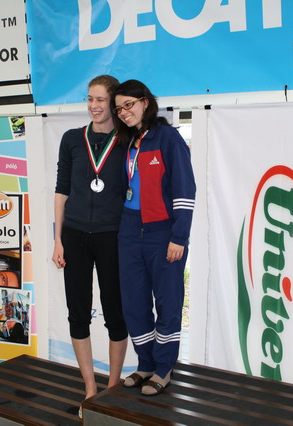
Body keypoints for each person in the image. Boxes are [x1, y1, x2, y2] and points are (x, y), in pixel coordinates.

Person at [112, 80, 196, 396]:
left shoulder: (167, 138)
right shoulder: (126, 142)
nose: (124, 112)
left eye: (129, 105)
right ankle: (145, 364)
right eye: (119, 108)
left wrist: (179, 236)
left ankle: (163, 368)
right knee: (134, 303)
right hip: (130, 231)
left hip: (163, 233)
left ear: (145, 102)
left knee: (168, 302)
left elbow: (185, 189)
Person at [52, 75, 128, 413]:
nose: (93, 106)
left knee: (116, 313)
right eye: (90, 99)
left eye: (100, 100)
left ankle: (112, 387)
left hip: (113, 236)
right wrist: (57, 238)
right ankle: (89, 389)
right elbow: (61, 190)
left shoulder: (127, 140)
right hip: (74, 236)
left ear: (113, 103)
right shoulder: (71, 139)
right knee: (78, 313)